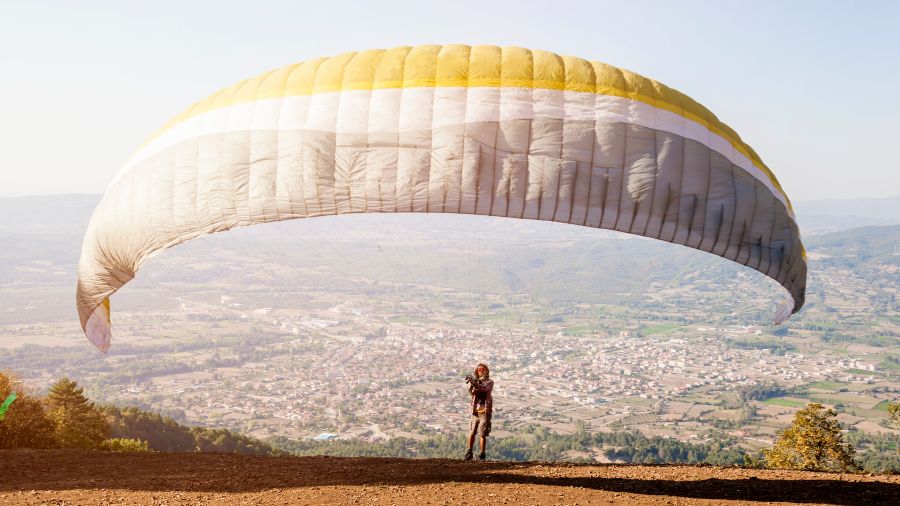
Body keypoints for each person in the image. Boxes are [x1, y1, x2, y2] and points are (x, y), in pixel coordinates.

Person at [464, 363, 493, 461]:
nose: (480, 371)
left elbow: (484, 388)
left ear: (486, 371)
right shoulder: (476, 382)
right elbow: (472, 392)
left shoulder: (490, 382)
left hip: (484, 412)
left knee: (482, 434)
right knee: (471, 432)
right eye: (478, 369)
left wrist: (474, 382)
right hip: (475, 411)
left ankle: (482, 454)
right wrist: (473, 383)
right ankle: (469, 452)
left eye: (482, 369)